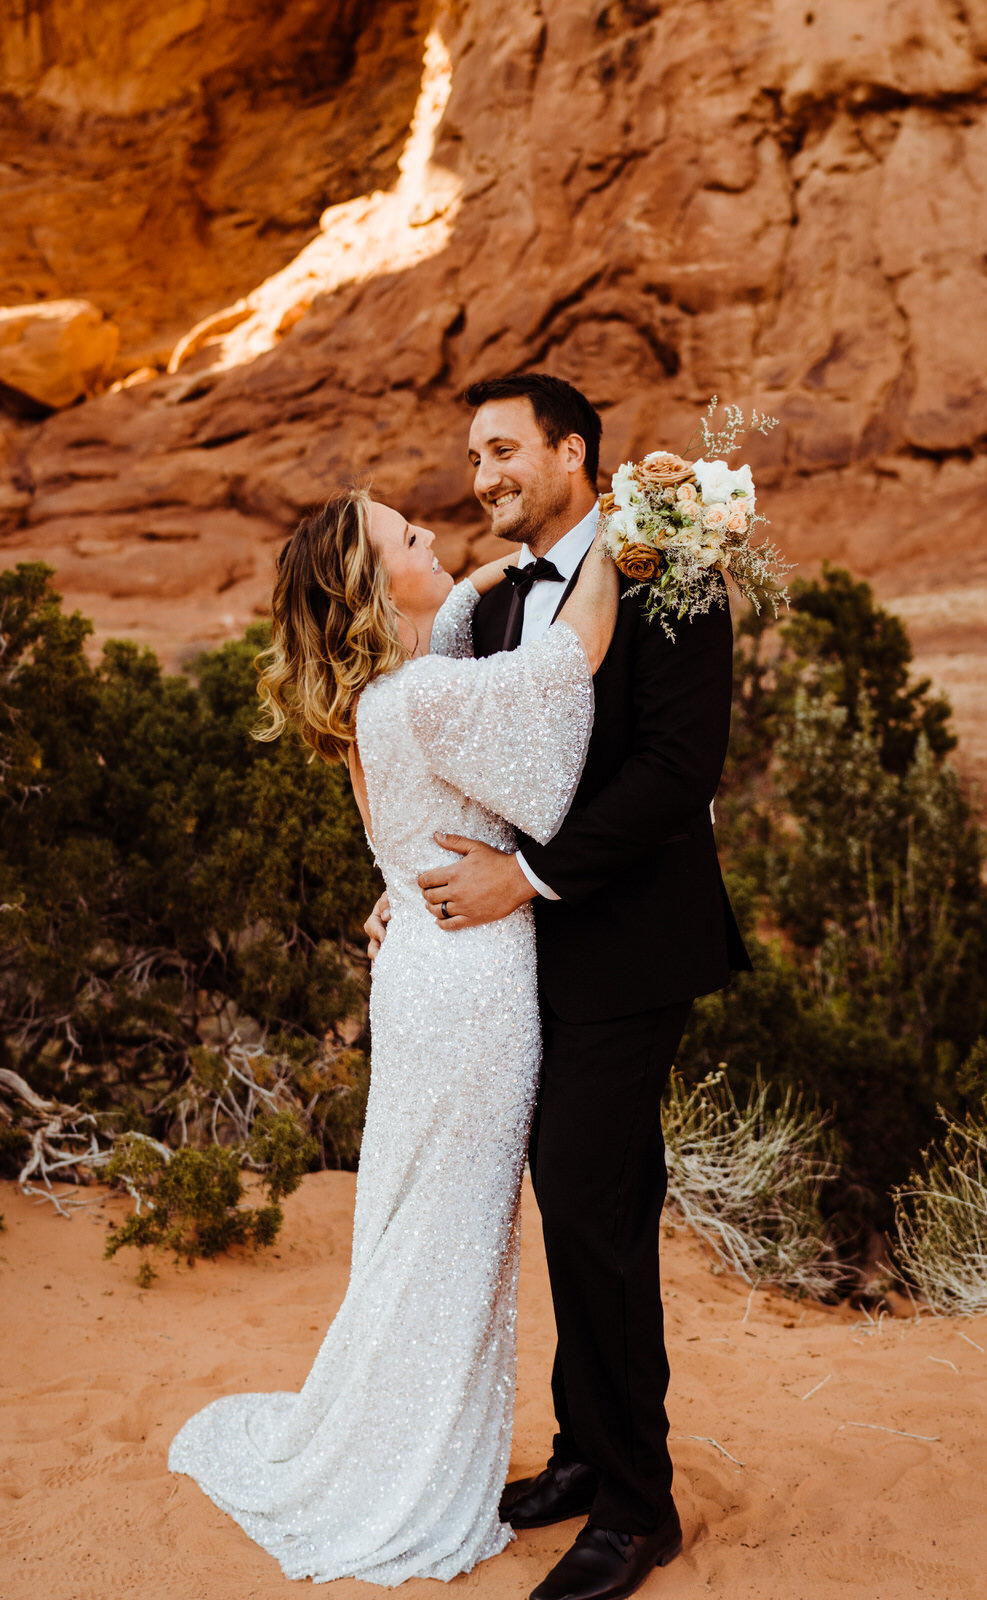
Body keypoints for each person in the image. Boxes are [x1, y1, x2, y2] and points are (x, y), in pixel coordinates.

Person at [168, 484, 618, 1585]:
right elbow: (568, 665)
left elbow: (456, 616)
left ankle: (397, 1435)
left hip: (424, 972)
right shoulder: (420, 698)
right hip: (471, 990)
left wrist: (474, 578)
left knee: (422, 1216)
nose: (434, 537)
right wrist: (627, 528)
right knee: (455, 1231)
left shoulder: (386, 689)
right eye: (407, 538)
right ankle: (407, 1475)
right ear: (371, 584)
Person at [367, 372, 751, 1600]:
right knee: (563, 1195)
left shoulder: (673, 571)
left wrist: (524, 878)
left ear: (573, 452)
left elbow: (674, 768)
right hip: (515, 963)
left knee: (591, 1201)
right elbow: (469, 771)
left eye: (501, 451)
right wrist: (409, 877)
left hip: (627, 944)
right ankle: (584, 1451)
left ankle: (638, 1508)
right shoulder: (485, 612)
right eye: (471, 458)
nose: (480, 479)